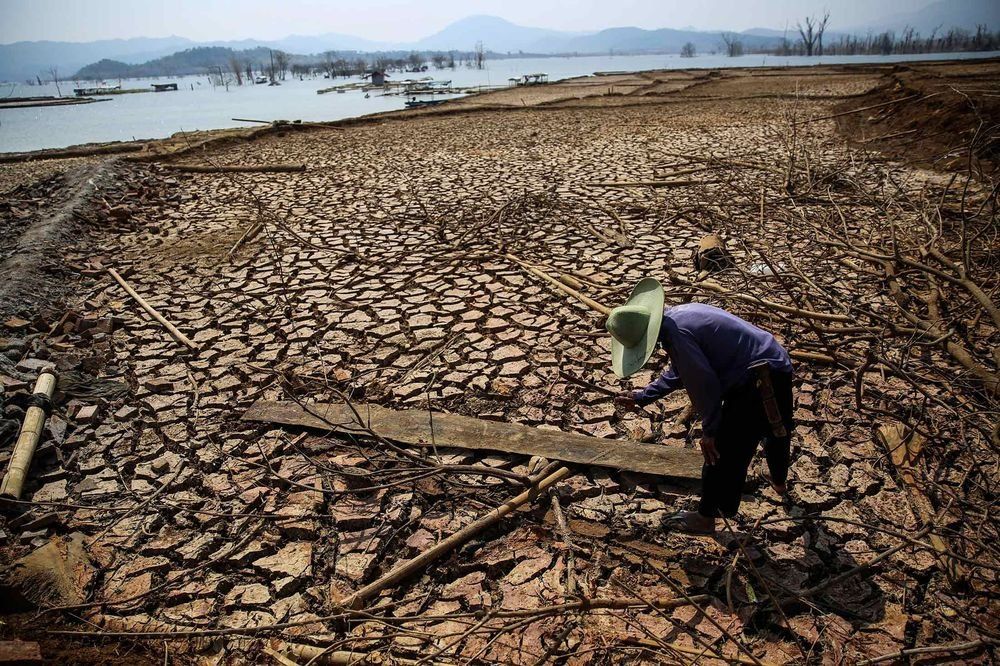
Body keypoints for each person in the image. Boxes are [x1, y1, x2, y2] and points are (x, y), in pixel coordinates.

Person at [606, 277, 794, 534]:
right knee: (777, 429)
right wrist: (643, 397)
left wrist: (710, 431)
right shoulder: (680, 316)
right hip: (774, 362)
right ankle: (779, 483)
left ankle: (706, 517)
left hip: (756, 379)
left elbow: (704, 386)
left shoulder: (678, 335)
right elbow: (679, 372)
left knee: (721, 452)